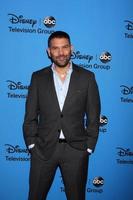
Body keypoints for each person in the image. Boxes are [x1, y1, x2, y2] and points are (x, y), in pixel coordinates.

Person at [23, 31, 101, 200]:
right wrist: (32, 145)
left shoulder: (87, 77)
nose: (61, 53)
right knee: (35, 196)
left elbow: (94, 116)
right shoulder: (37, 78)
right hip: (43, 150)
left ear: (71, 48)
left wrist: (88, 146)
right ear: (48, 51)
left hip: (76, 150)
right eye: (55, 48)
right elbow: (30, 116)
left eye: (65, 47)